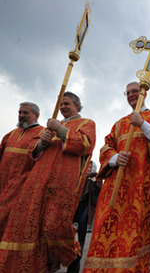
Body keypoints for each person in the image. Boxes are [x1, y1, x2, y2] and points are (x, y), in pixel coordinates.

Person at [0, 92, 96, 273]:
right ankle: (40, 265)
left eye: (66, 104)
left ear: (77, 105)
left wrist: (59, 130)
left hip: (63, 183)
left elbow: (85, 144)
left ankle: (72, 255)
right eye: (61, 105)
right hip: (39, 182)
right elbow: (33, 150)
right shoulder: (50, 127)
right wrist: (42, 142)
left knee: (55, 227)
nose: (63, 108)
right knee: (35, 226)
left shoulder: (86, 123)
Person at [83, 81, 150, 273]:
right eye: (128, 93)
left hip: (142, 188)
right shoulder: (119, 124)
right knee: (108, 229)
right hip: (116, 187)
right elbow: (106, 147)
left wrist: (142, 124)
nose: (131, 95)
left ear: (145, 93)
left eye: (135, 91)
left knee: (136, 233)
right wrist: (115, 158)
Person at [0, 102, 44, 231]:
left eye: (25, 113)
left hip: (21, 186)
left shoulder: (42, 133)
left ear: (36, 115)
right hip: (3, 184)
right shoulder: (11, 134)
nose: (21, 115)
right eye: (19, 112)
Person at [67, 160, 98, 273]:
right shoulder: (79, 176)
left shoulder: (96, 178)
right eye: (87, 167)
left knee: (82, 233)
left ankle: (77, 257)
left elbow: (97, 195)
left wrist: (95, 183)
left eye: (90, 167)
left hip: (86, 207)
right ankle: (73, 254)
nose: (88, 169)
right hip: (76, 206)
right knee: (71, 232)